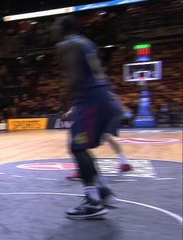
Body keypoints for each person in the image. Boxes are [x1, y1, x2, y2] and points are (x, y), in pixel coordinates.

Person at [53, 16, 119, 219]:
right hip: (103, 96)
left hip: (89, 99)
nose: (52, 29)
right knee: (82, 147)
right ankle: (102, 189)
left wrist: (67, 103)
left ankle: (93, 201)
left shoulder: (67, 44)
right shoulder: (87, 42)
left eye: (54, 25)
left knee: (77, 147)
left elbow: (75, 77)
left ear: (64, 27)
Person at [65, 92, 133, 181]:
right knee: (106, 136)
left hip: (104, 110)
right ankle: (125, 162)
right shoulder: (97, 84)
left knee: (76, 137)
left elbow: (81, 100)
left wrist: (71, 111)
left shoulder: (83, 84)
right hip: (112, 110)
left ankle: (82, 169)